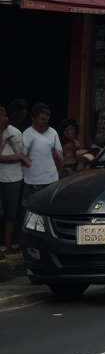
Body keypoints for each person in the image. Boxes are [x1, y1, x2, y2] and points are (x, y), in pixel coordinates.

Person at [21, 103, 63, 207]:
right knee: (32, 210)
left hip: (51, 180)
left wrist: (57, 173)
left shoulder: (53, 132)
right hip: (32, 182)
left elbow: (60, 156)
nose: (45, 122)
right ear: (33, 118)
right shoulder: (27, 133)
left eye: (46, 119)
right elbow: (22, 157)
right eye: (41, 119)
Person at [0, 102, 27, 255]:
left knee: (11, 213)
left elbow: (22, 156)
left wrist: (6, 158)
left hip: (13, 178)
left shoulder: (15, 133)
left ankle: (8, 244)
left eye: (3, 116)